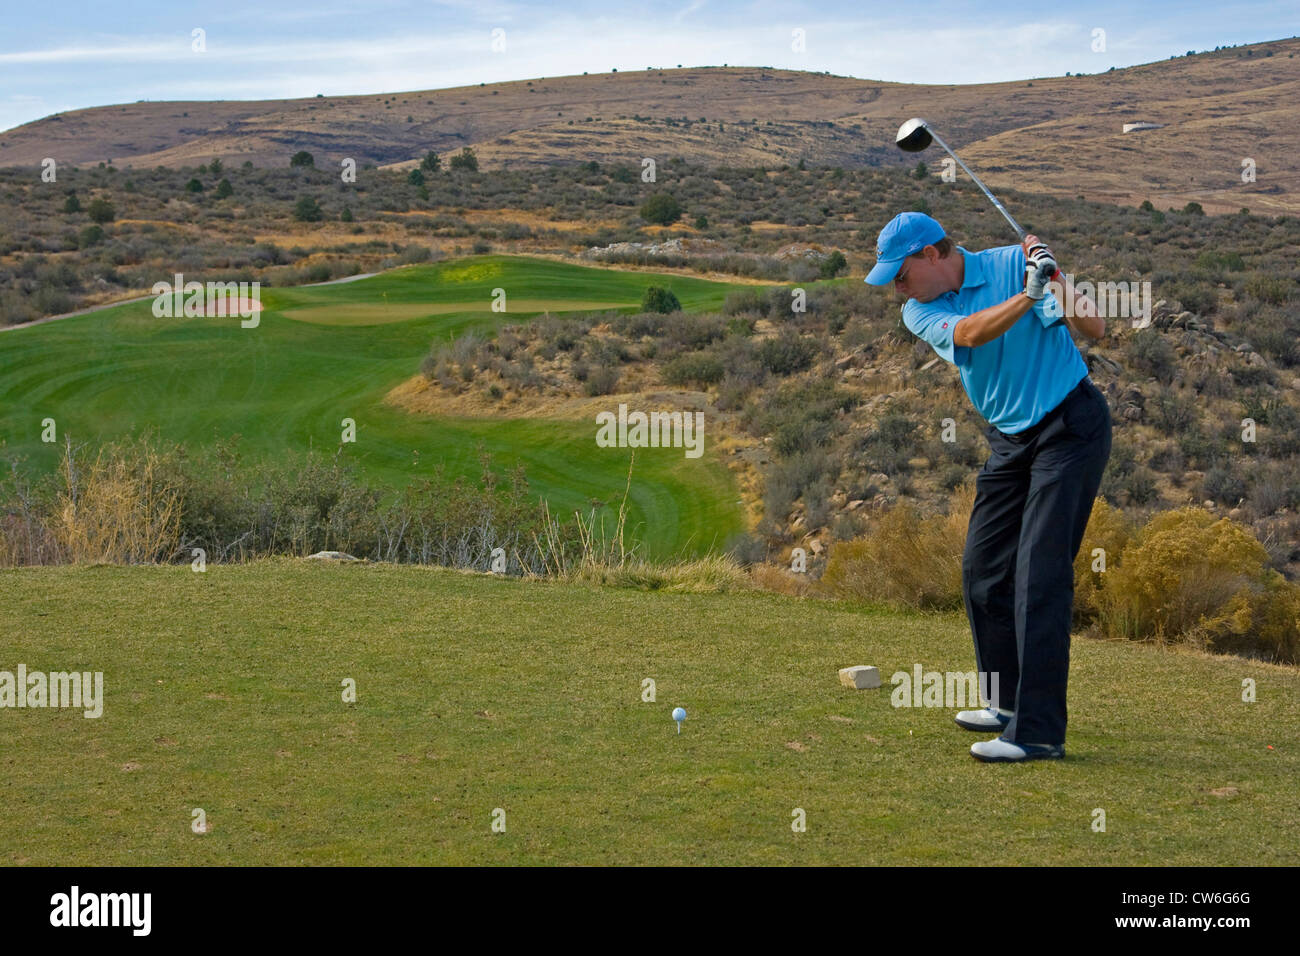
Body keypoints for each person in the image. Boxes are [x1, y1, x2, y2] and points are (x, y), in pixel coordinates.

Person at [864, 212, 1111, 762]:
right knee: (982, 571)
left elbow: (1094, 329)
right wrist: (1028, 295)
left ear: (931, 254)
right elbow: (973, 333)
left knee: (1039, 577)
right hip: (1011, 440)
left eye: (900, 274)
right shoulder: (920, 309)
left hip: (1070, 428)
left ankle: (1038, 732)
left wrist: (1057, 278)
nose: (896, 290)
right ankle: (1003, 702)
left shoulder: (1011, 263)